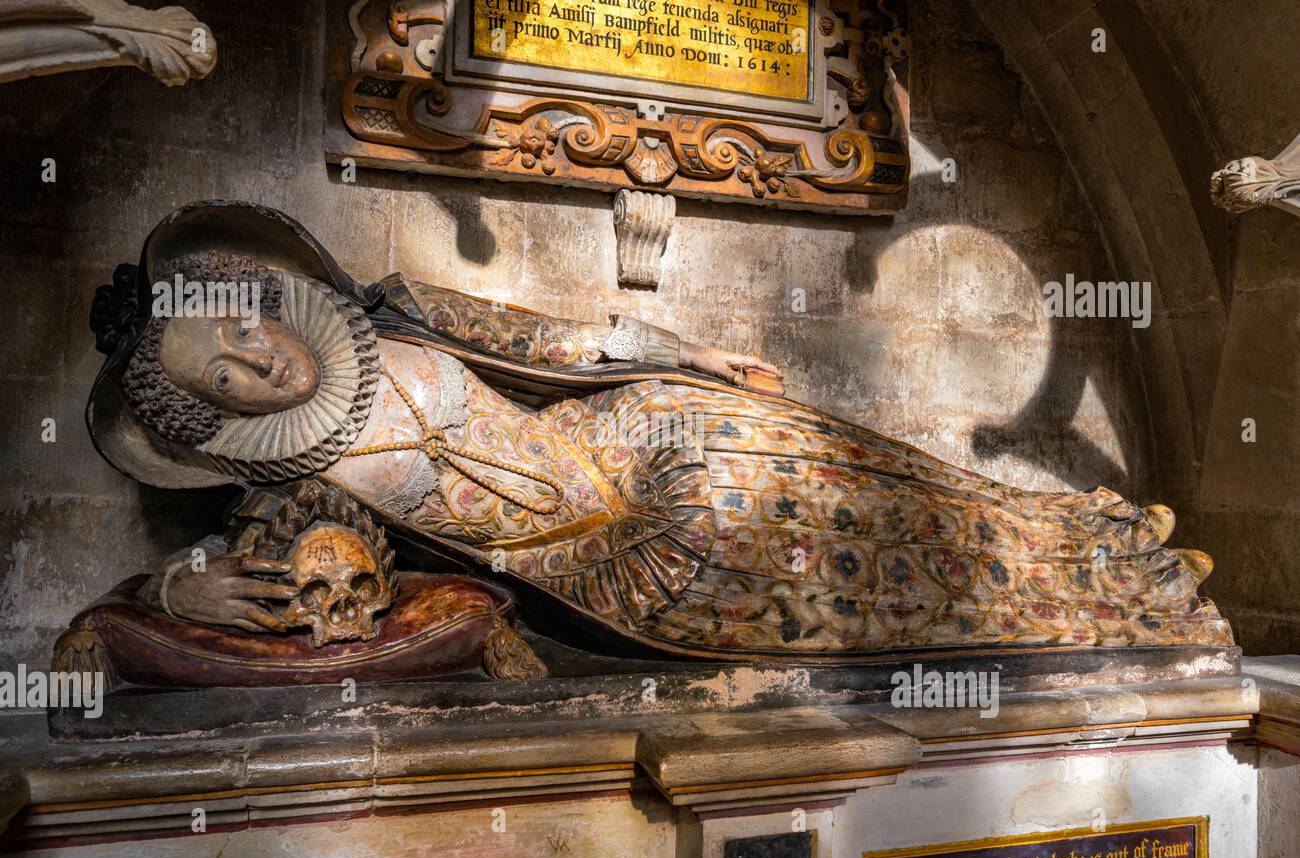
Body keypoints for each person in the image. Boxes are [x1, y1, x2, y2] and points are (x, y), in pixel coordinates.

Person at [87, 201, 1230, 662]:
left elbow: (562, 346)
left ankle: (1094, 546)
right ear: (214, 418)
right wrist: (180, 594)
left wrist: (687, 354)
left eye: (240, 327)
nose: (253, 359)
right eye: (226, 379)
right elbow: (143, 614)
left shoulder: (396, 315)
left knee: (878, 483)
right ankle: (1092, 609)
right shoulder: (302, 494)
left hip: (646, 433)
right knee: (857, 587)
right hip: (627, 567)